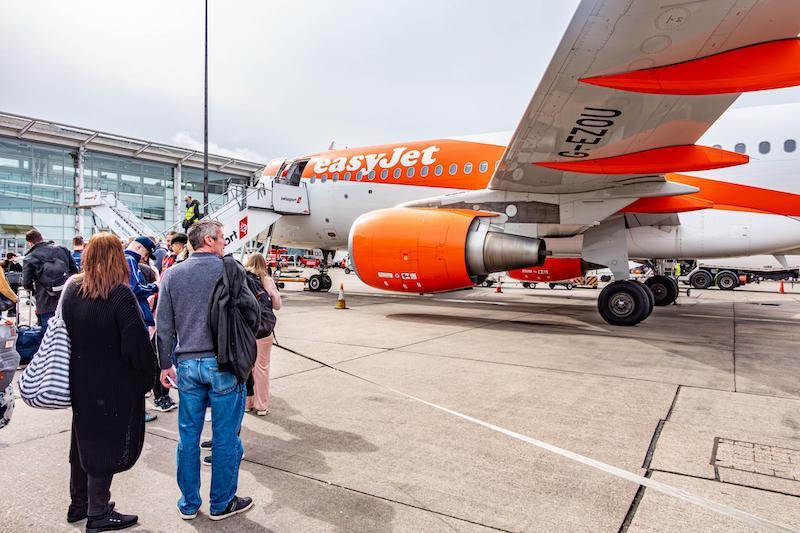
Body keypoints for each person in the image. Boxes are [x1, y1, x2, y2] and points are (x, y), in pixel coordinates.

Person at [157, 221, 254, 521]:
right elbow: (252, 312)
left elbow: (164, 326)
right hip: (223, 363)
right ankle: (221, 503)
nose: (226, 243)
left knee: (188, 437)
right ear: (209, 240)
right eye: (223, 238)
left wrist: (164, 364)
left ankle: (188, 503)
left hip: (187, 365)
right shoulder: (230, 270)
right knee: (225, 437)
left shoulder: (172, 274)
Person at [61, 232, 157, 531]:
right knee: (104, 446)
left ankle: (80, 505)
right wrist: (146, 380)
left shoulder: (73, 288)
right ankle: (99, 514)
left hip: (80, 380)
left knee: (82, 442)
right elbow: (138, 348)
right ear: (117, 257)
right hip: (114, 384)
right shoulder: (119, 294)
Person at [244, 253, 281, 416]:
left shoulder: (243, 279)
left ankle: (247, 402)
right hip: (263, 330)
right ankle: (261, 405)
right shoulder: (266, 280)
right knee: (262, 367)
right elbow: (277, 305)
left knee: (247, 367)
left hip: (246, 330)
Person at [22, 229, 79, 333]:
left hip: (45, 302)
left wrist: (36, 294)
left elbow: (26, 283)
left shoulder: (29, 258)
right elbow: (75, 272)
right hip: (67, 299)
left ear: (29, 243)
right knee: (70, 332)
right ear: (42, 238)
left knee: (49, 334)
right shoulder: (63, 250)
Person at [124, 237, 158, 329]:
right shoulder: (129, 259)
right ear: (138, 247)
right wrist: (155, 286)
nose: (145, 258)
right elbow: (134, 288)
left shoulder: (125, 258)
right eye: (146, 254)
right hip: (136, 315)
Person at [3, 253, 22, 317]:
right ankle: (12, 311)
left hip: (6, 283)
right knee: (13, 297)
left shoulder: (4, 263)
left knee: (9, 297)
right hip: (13, 283)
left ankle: (11, 310)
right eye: (15, 257)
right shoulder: (12, 264)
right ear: (13, 257)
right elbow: (21, 269)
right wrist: (17, 263)